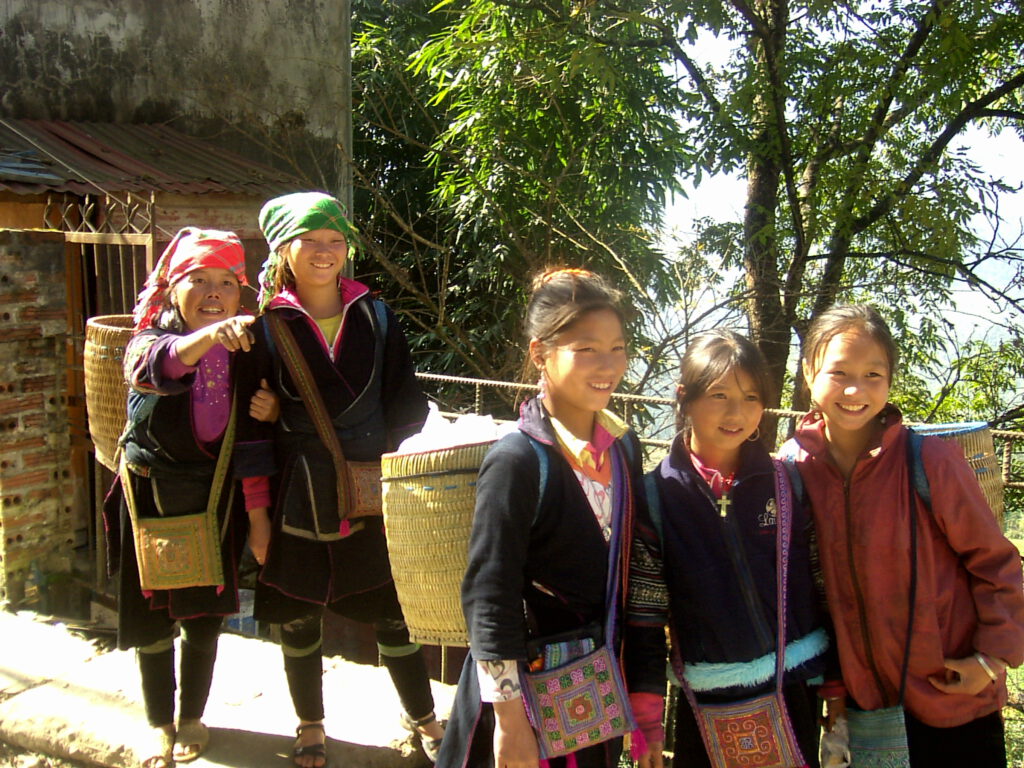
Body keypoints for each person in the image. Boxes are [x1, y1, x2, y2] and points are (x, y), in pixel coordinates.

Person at [783, 304, 1024, 767]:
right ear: (810, 371)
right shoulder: (795, 469)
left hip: (953, 694)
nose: (856, 389)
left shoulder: (929, 461)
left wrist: (991, 661)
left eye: (874, 373)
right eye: (839, 372)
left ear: (891, 379)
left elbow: (994, 561)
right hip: (864, 706)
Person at [250, 192, 443, 767]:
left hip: (372, 491)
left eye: (336, 241)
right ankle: (310, 723)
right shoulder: (264, 328)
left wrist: (404, 484)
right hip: (297, 495)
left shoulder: (376, 317)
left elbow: (405, 407)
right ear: (284, 248)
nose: (325, 252)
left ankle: (425, 716)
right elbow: (252, 434)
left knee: (392, 610)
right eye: (310, 240)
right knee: (297, 612)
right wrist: (258, 515)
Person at [436, 267, 653, 768]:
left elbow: (635, 573)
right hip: (522, 698)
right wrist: (510, 724)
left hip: (591, 694)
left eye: (618, 348)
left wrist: (640, 701)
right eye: (586, 349)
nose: (608, 365)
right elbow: (489, 594)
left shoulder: (623, 449)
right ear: (540, 354)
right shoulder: (517, 460)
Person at [103, 228, 277, 768]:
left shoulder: (247, 348)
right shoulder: (148, 339)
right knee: (153, 615)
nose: (214, 292)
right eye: (198, 280)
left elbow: (251, 440)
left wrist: (257, 515)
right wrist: (210, 337)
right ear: (173, 289)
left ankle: (194, 716)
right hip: (150, 495)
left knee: (204, 616)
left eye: (226, 282)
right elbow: (162, 367)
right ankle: (160, 720)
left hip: (216, 499)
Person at [626, 330, 829, 768]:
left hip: (792, 692)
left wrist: (837, 689)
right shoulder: (656, 498)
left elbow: (821, 587)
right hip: (705, 701)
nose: (736, 413)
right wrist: (646, 717)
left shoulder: (789, 484)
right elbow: (645, 614)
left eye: (751, 397)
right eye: (719, 394)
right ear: (685, 396)